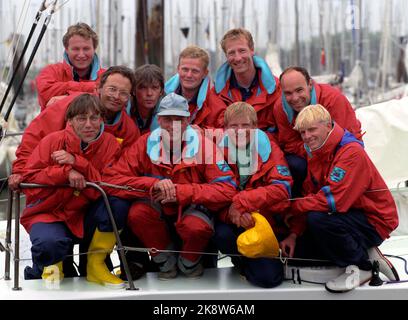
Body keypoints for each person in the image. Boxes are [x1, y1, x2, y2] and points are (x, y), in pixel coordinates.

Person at [102, 93, 237, 280]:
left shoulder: (205, 147)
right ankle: (165, 261)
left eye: (179, 119)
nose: (173, 125)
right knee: (138, 214)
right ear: (158, 120)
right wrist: (153, 184)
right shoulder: (143, 144)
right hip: (157, 207)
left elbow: (227, 189)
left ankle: (190, 262)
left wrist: (180, 192)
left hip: (191, 206)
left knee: (196, 227)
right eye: (167, 119)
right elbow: (111, 180)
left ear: (187, 120)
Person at [290, 104, 399, 293]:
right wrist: (294, 233)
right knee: (301, 250)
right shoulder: (316, 152)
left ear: (328, 126)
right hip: (351, 214)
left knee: (317, 219)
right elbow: (310, 192)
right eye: (303, 132)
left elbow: (333, 200)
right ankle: (365, 252)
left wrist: (291, 206)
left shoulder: (350, 152)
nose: (307, 136)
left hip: (375, 220)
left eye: (312, 129)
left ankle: (361, 267)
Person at [21, 94, 127, 287]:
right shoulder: (51, 141)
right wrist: (65, 172)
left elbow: (109, 184)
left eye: (94, 118)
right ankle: (46, 269)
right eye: (81, 118)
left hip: (84, 214)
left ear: (102, 119)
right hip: (47, 212)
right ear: (69, 121)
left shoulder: (111, 144)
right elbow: (28, 180)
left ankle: (96, 265)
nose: (88, 124)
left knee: (118, 204)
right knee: (49, 244)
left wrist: (77, 162)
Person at [213, 102, 300, 288]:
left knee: (268, 280)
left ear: (254, 127)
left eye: (245, 126)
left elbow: (282, 188)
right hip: (233, 220)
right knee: (221, 234)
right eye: (234, 126)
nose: (239, 131)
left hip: (265, 222)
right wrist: (232, 214)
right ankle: (243, 264)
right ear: (225, 128)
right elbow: (213, 193)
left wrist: (244, 204)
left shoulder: (269, 149)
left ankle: (258, 265)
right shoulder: (216, 150)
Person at [9, 66, 140, 190]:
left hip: (94, 192)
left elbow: (123, 168)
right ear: (99, 88)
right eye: (112, 89)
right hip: (57, 187)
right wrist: (20, 171)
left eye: (123, 93)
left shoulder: (129, 130)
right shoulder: (69, 105)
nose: (116, 96)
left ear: (129, 98)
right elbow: (36, 135)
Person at [273, 66, 362, 196]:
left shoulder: (334, 99)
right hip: (309, 157)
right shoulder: (280, 108)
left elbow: (349, 139)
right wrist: (313, 150)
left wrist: (316, 150)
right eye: (288, 93)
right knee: (291, 164)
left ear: (310, 84)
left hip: (339, 155)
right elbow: (289, 144)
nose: (295, 98)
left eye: (299, 90)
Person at [208, 28, 280, 134]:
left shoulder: (277, 89)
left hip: (267, 147)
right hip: (230, 147)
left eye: (242, 51)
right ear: (226, 56)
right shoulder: (216, 95)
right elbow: (216, 131)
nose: (237, 58)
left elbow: (282, 132)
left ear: (252, 50)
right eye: (231, 53)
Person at [36, 22, 104, 111]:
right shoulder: (51, 71)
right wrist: (90, 88)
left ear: (94, 49)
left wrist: (67, 98)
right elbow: (45, 93)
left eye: (86, 49)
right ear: (66, 49)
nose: (81, 54)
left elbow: (111, 100)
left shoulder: (106, 76)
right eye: (76, 49)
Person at [164, 45, 224, 129]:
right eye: (185, 69)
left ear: (205, 73)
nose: (189, 75)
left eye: (195, 71)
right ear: (178, 69)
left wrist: (202, 133)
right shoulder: (162, 96)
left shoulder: (216, 104)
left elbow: (226, 134)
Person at [130, 64, 164, 134]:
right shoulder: (123, 111)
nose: (149, 93)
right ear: (133, 91)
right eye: (143, 88)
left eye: (154, 88)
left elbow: (176, 143)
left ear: (161, 91)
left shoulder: (170, 113)